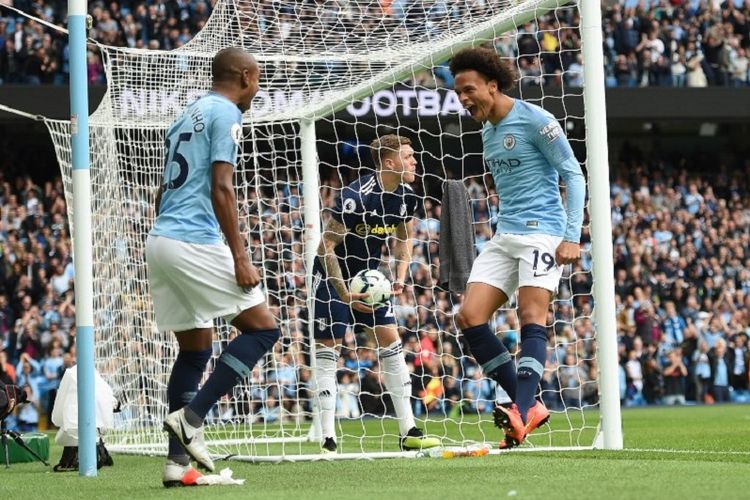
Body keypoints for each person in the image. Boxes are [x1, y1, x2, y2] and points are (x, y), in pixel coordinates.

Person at [146, 47, 280, 486]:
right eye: (256, 80)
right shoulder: (225, 114)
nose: (255, 90)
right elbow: (223, 187)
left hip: (162, 238)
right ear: (244, 76)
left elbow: (164, 188)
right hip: (192, 239)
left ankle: (174, 465)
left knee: (195, 348)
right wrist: (241, 255)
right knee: (263, 329)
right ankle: (193, 417)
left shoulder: (188, 113)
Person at [449, 47, 585, 448]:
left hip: (543, 232)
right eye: (458, 93)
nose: (463, 99)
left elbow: (573, 176)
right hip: (505, 234)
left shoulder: (536, 120)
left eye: (469, 90)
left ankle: (521, 409)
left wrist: (572, 235)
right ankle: (529, 404)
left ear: (493, 85)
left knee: (530, 315)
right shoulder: (487, 129)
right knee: (469, 317)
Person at [313, 134, 440, 453]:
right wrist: (343, 292)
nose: (414, 161)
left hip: (370, 279)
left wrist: (398, 276)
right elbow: (325, 247)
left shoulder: (408, 197)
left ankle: (408, 430)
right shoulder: (356, 196)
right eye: (408, 156)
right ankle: (328, 437)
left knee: (391, 340)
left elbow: (404, 237)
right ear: (389, 162)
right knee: (330, 349)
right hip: (334, 276)